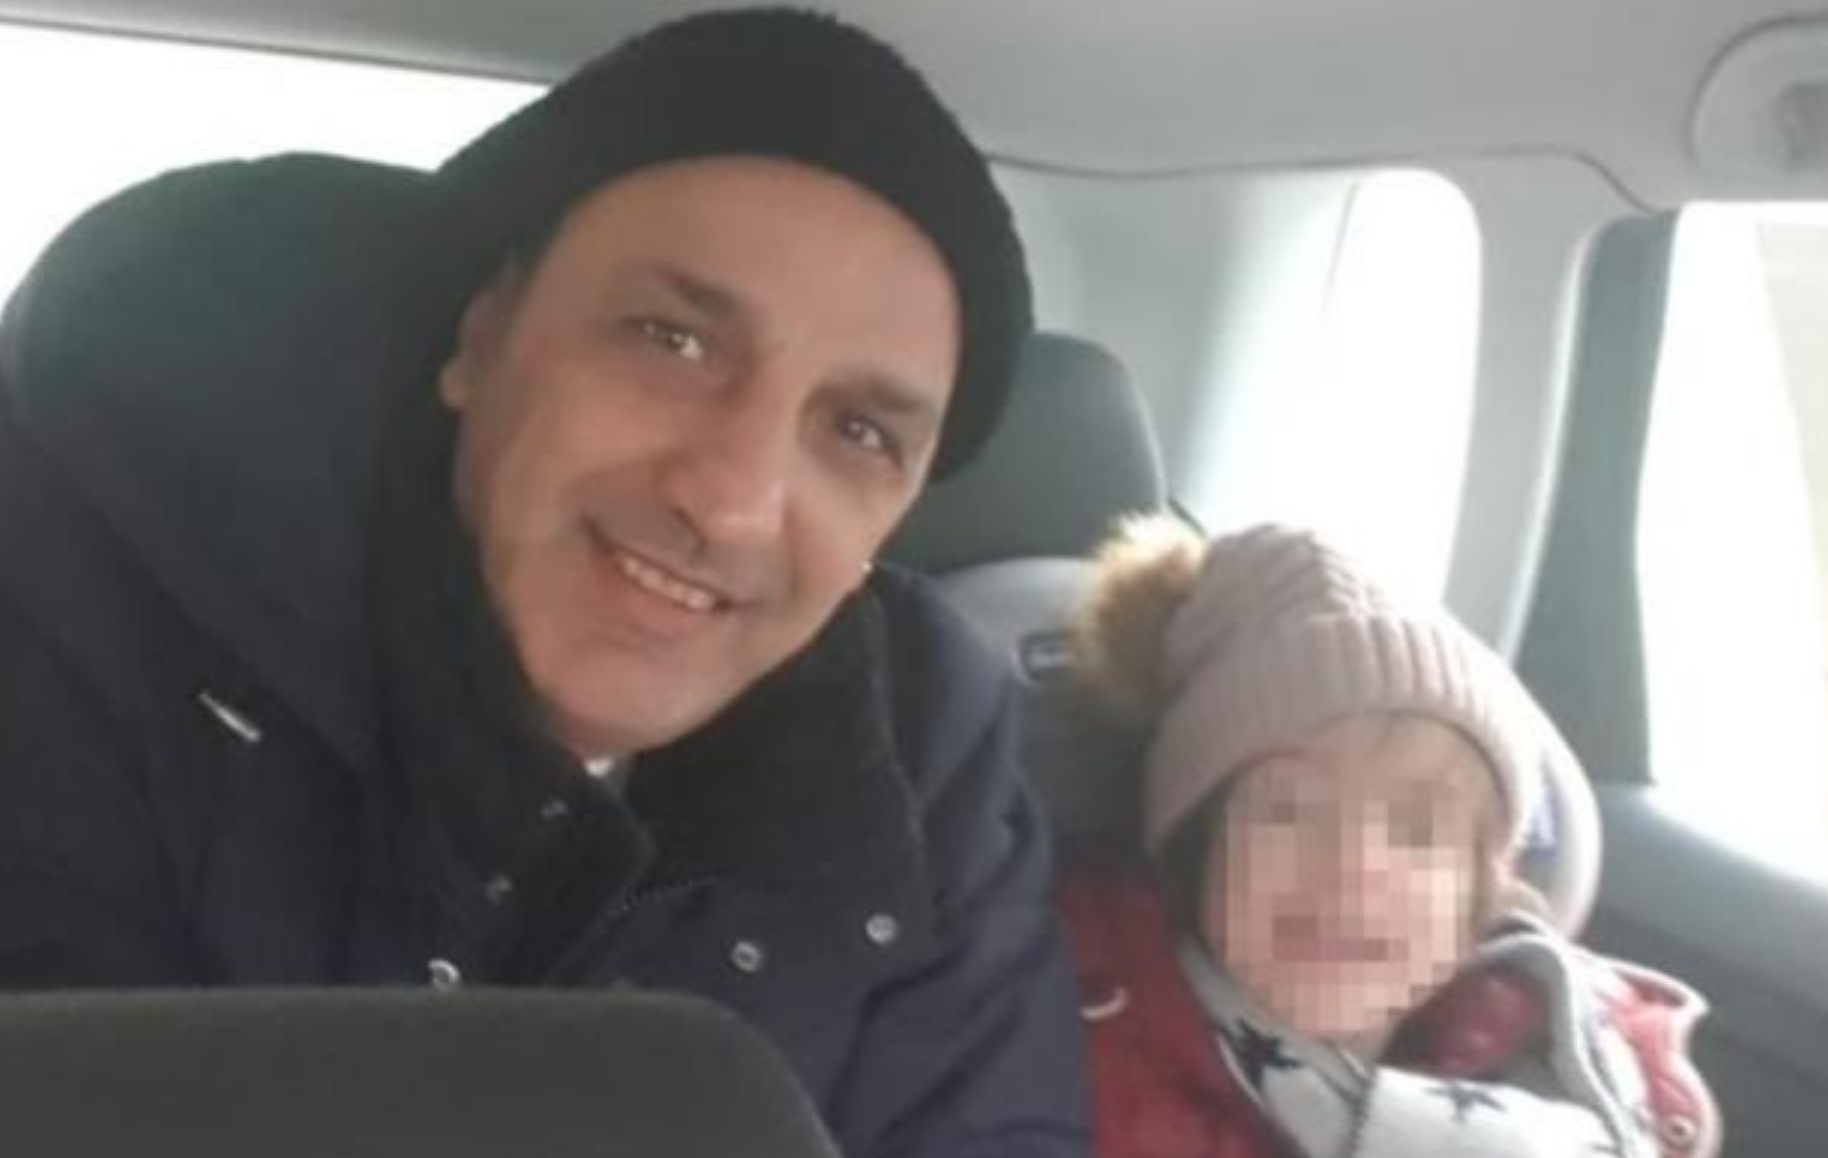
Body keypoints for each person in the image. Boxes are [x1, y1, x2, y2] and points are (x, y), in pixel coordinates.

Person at [0, 10, 1087, 1156]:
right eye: (671, 340)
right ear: (480, 337)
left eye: (858, 432)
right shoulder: (81, 596)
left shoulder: (924, 751)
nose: (731, 502)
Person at [1056, 517, 1718, 1158]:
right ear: (1199, 854)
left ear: (1477, 900)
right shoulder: (1092, 1074)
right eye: (1292, 813)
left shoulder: (1565, 1047)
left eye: (1419, 831)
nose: (1356, 866)